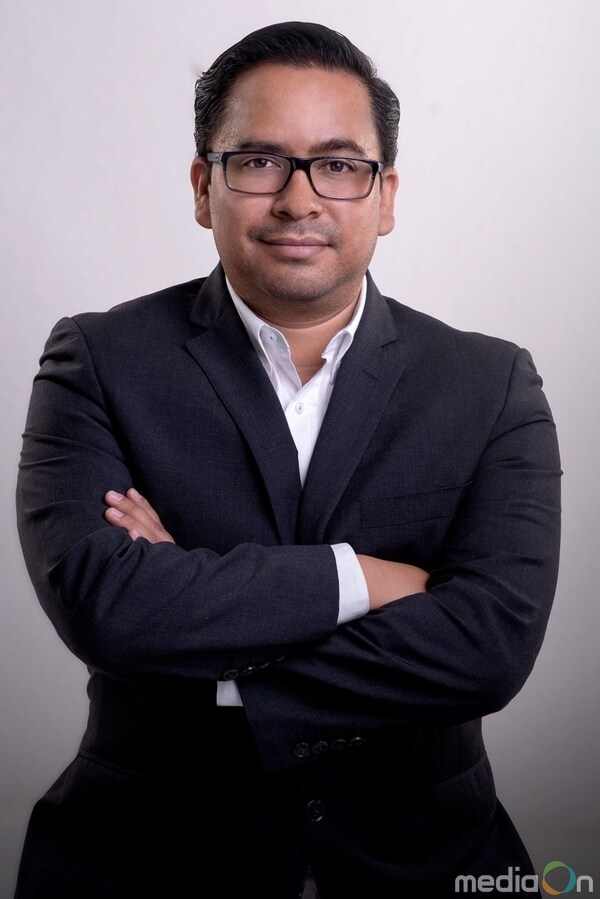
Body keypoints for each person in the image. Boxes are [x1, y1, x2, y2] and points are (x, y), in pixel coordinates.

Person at [14, 21, 561, 899]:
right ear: (205, 187)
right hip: (143, 865)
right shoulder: (99, 359)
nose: (300, 199)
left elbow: (489, 647)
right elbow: (107, 608)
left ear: (385, 196)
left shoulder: (490, 383)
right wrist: (367, 579)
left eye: (339, 165)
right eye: (260, 161)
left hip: (429, 864)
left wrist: (207, 640)